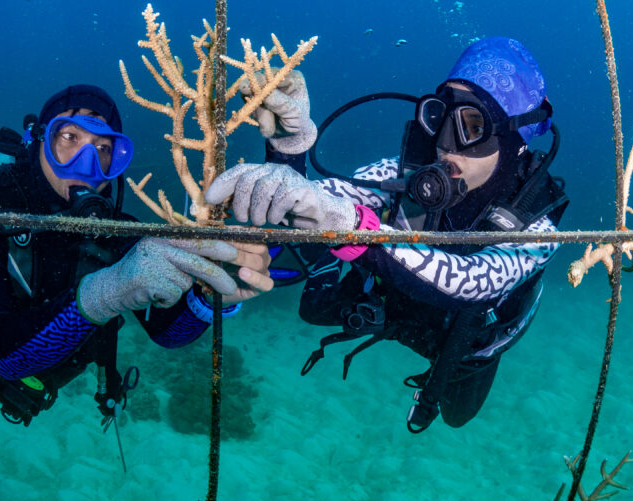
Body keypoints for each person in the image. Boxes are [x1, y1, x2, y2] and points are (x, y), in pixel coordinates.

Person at [0, 84, 272, 452]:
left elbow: (167, 332)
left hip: (29, 367)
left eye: (103, 149)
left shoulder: (114, 230)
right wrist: (110, 291)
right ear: (41, 140)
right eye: (69, 138)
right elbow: (0, 352)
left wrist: (209, 293)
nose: (85, 164)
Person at [205, 37, 567, 431]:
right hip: (392, 303)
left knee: (456, 415)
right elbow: (314, 200)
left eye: (473, 126)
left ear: (515, 140)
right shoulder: (405, 171)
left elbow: (470, 282)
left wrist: (352, 229)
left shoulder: (538, 224)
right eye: (441, 118)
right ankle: (328, 264)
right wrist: (289, 152)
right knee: (311, 308)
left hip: (460, 337)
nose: (446, 144)